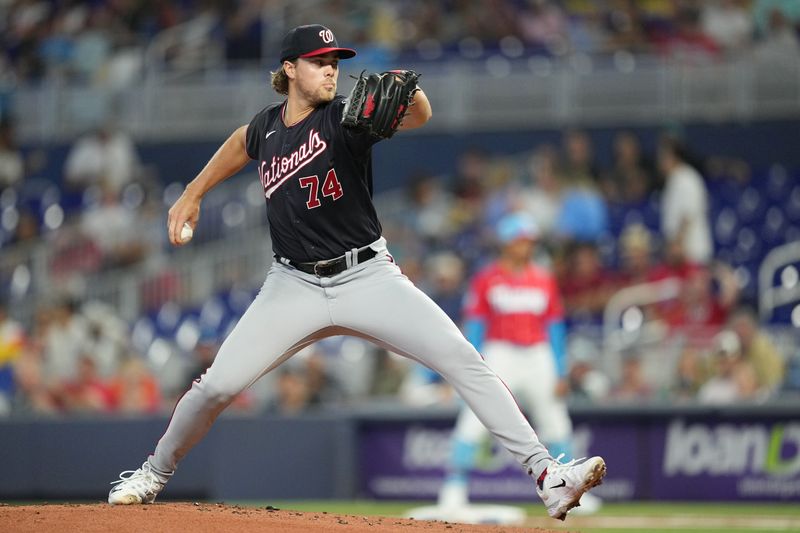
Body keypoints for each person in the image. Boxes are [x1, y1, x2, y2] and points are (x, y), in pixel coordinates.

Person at [106, 25, 605, 520]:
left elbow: (419, 115)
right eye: (318, 60)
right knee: (214, 387)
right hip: (293, 284)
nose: (330, 69)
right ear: (288, 69)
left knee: (462, 358)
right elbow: (241, 142)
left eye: (335, 61)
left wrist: (415, 95)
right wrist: (194, 192)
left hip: (367, 276)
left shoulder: (346, 117)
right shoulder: (267, 127)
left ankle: (548, 476)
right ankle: (153, 472)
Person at [437, 212, 601, 516]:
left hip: (537, 354)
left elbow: (555, 327)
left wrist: (560, 369)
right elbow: (475, 325)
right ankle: (454, 487)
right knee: (475, 418)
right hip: (500, 353)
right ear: (507, 244)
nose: (526, 246)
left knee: (555, 420)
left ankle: (574, 489)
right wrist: (467, 364)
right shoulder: (487, 277)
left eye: (529, 241)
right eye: (520, 240)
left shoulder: (543, 277)